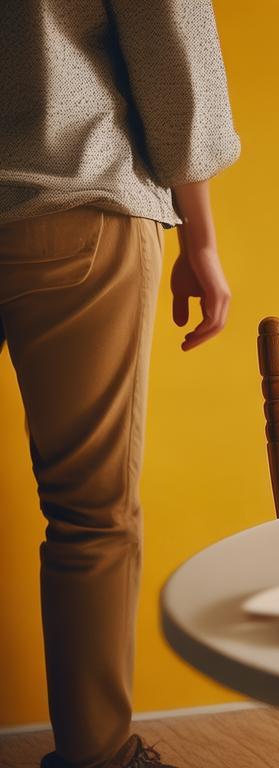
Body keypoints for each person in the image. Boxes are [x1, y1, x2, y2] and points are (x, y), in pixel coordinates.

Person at [0, 2, 240, 766]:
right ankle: (98, 758)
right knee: (90, 514)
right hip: (72, 198)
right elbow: (174, 52)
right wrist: (201, 237)